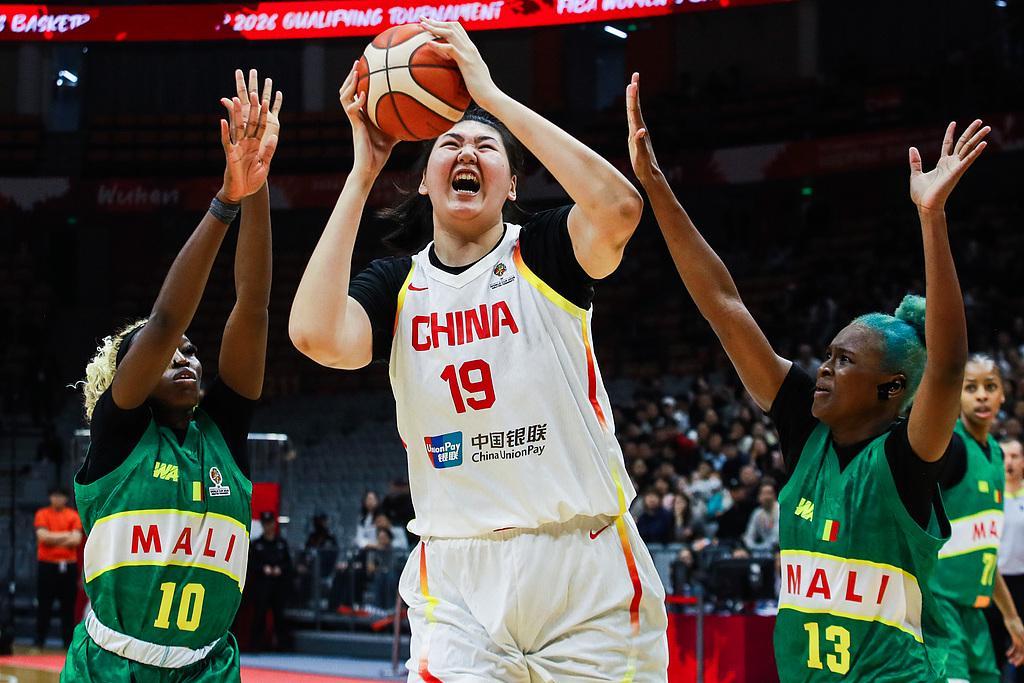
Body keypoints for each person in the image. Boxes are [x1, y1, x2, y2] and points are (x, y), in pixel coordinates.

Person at [289, 21, 667, 681]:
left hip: (585, 566)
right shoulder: (397, 285)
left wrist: (491, 97)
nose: (467, 150)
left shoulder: (544, 253)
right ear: (425, 181)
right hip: (458, 576)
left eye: (486, 145)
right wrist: (362, 172)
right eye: (450, 142)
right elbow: (315, 336)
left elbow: (619, 209)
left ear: (512, 185)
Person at [627, 70, 986, 680]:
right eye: (828, 354)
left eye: (845, 361)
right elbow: (724, 305)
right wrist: (655, 183)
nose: (823, 368)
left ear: (892, 389)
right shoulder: (803, 427)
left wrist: (931, 217)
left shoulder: (905, 461)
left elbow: (948, 366)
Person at [61, 69, 280, 682]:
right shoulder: (119, 436)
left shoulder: (222, 434)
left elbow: (253, 305)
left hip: (207, 669)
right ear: (128, 374)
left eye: (191, 351)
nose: (183, 357)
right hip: (112, 668)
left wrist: (257, 180)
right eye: (165, 355)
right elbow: (163, 321)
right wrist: (224, 203)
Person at [932, 356, 1024, 682]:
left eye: (990, 387)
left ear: (1003, 395)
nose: (982, 395)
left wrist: (1011, 616)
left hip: (976, 611)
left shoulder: (996, 455)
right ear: (956, 395)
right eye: (971, 388)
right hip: (940, 608)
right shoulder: (949, 446)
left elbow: (984, 553)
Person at [34, 487, 83, 649]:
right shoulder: (42, 514)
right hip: (47, 565)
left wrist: (52, 537)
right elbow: (43, 537)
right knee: (44, 605)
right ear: (50, 497)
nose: (58, 499)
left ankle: (67, 644)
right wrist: (66, 535)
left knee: (67, 606)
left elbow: (76, 540)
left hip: (68, 566)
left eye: (61, 496)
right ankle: (39, 642)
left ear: (66, 499)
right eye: (55, 496)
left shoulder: (73, 515)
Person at [993, 438, 1024, 680]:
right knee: (995, 647)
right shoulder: (990, 493)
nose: (1009, 462)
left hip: (1022, 582)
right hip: (994, 583)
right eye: (1004, 457)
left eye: (1014, 456)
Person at [249, 512, 293, 651]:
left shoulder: (281, 544)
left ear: (274, 524)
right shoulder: (257, 544)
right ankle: (256, 646)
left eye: (270, 523)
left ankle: (283, 647)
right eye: (266, 523)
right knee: (259, 615)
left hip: (279, 586)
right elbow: (251, 564)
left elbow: (288, 564)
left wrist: (280, 569)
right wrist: (263, 568)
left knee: (280, 615)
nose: (268, 526)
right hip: (262, 585)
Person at [743, 482, 780, 555]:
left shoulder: (781, 511)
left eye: (769, 493)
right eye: (764, 494)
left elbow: (776, 539)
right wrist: (753, 547)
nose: (767, 497)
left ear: (775, 495)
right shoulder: (757, 513)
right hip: (762, 550)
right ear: (759, 497)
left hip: (780, 550)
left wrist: (758, 548)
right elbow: (749, 536)